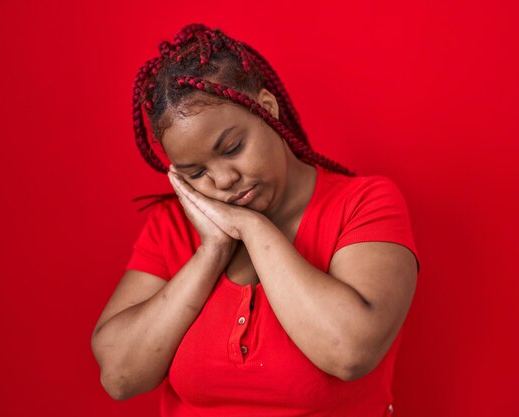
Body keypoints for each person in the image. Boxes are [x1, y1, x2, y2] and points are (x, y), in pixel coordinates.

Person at [91, 23, 421, 417]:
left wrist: (253, 227)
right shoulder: (172, 226)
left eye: (232, 148)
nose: (223, 180)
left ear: (267, 108)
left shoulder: (363, 204)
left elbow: (349, 351)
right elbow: (119, 376)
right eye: (196, 173)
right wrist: (211, 251)